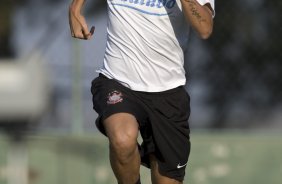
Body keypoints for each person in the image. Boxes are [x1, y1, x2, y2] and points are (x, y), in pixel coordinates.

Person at [69, 0, 215, 183]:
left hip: (168, 92)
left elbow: (205, 28)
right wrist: (75, 7)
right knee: (122, 139)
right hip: (119, 80)